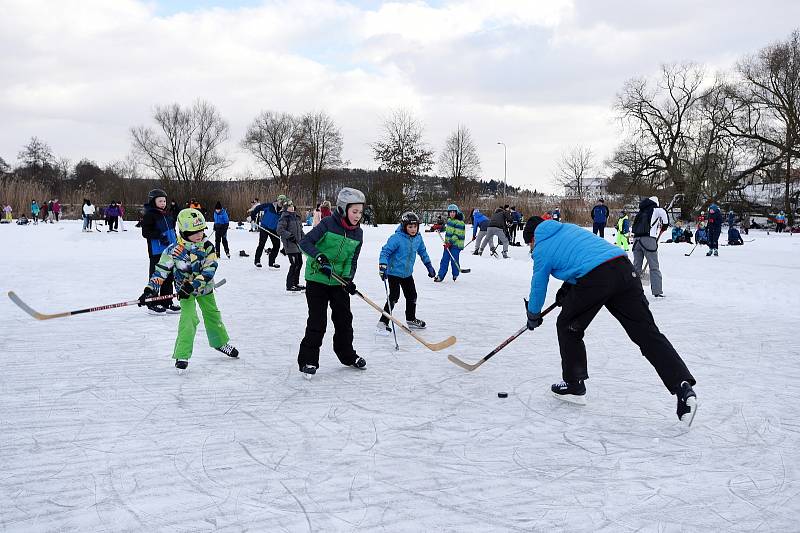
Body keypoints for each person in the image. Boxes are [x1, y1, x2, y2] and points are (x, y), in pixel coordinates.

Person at [521, 216, 698, 425]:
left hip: (597, 278)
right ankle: (683, 387)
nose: (531, 248)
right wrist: (566, 290)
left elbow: (539, 283)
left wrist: (533, 314)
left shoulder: (541, 246)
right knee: (647, 333)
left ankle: (574, 385)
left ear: (532, 237)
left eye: (529, 244)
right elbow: (584, 258)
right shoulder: (568, 229)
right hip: (624, 269)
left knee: (568, 327)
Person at [139, 208, 238, 370]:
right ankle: (182, 354)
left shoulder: (207, 247)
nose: (199, 235)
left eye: (201, 230)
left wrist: (192, 285)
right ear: (183, 232)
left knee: (213, 315)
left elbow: (209, 270)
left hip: (203, 289)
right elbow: (161, 271)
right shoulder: (173, 251)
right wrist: (150, 290)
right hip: (184, 293)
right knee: (188, 319)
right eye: (194, 232)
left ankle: (220, 343)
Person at [296, 187, 366, 377]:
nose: (358, 216)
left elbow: (352, 260)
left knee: (344, 320)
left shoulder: (357, 234)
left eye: (360, 212)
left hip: (338, 282)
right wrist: (319, 257)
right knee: (318, 321)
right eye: (354, 211)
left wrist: (348, 280)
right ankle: (308, 360)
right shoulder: (327, 224)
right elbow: (305, 243)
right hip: (317, 279)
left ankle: (347, 355)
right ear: (343, 209)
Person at [377, 211, 436, 334]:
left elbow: (423, 252)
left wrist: (428, 265)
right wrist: (383, 265)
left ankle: (411, 319)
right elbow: (385, 252)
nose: (413, 229)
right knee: (393, 297)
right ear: (404, 226)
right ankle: (383, 322)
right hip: (394, 272)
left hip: (407, 273)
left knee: (412, 296)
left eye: (415, 226)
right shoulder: (396, 238)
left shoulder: (418, 238)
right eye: (410, 227)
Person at [140, 189, 180, 314]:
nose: (163, 203)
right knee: (157, 276)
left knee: (169, 277)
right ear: (153, 201)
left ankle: (166, 301)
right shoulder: (149, 215)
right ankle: (152, 303)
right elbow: (145, 232)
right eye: (160, 201)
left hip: (170, 251)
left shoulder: (167, 214)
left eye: (164, 201)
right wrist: (159, 235)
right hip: (157, 251)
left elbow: (172, 230)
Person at [631, 196, 668, 298]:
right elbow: (664, 217)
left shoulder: (641, 211)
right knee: (654, 266)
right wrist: (664, 227)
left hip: (636, 241)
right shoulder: (656, 209)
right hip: (648, 240)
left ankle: (633, 290)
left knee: (636, 267)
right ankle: (657, 291)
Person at [277, 200, 305, 291]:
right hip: (290, 245)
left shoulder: (297, 217)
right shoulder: (285, 217)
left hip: (298, 244)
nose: (292, 207)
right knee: (294, 264)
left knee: (299, 263)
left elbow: (300, 230)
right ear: (286, 208)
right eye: (289, 206)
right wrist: (289, 236)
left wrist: (305, 238)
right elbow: (280, 230)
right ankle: (289, 285)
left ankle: (296, 283)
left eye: (292, 205)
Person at [252, 194, 287, 268]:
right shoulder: (269, 206)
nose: (281, 203)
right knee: (262, 244)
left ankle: (272, 262)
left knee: (277, 245)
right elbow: (258, 208)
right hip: (264, 227)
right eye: (280, 201)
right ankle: (257, 261)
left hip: (274, 229)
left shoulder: (283, 211)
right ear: (277, 200)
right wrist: (252, 217)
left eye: (283, 202)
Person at [435, 204, 466, 281]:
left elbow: (457, 235)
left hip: (456, 245)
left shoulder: (460, 222)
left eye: (453, 212)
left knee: (454, 260)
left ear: (457, 212)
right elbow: (448, 229)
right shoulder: (449, 221)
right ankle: (440, 276)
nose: (452, 213)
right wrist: (440, 228)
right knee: (444, 260)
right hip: (448, 245)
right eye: (450, 212)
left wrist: (450, 243)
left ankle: (455, 274)